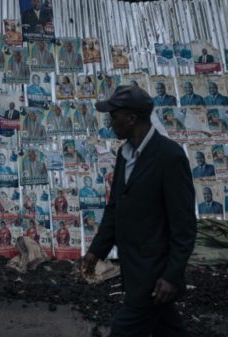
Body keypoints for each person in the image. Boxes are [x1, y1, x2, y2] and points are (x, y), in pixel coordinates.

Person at [81, 85, 196, 337]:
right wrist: (96, 252)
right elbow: (115, 209)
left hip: (154, 272)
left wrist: (171, 276)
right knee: (168, 328)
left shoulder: (169, 157)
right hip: (133, 266)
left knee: (124, 330)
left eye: (114, 116)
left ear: (131, 119)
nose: (110, 122)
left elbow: (184, 226)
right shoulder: (125, 154)